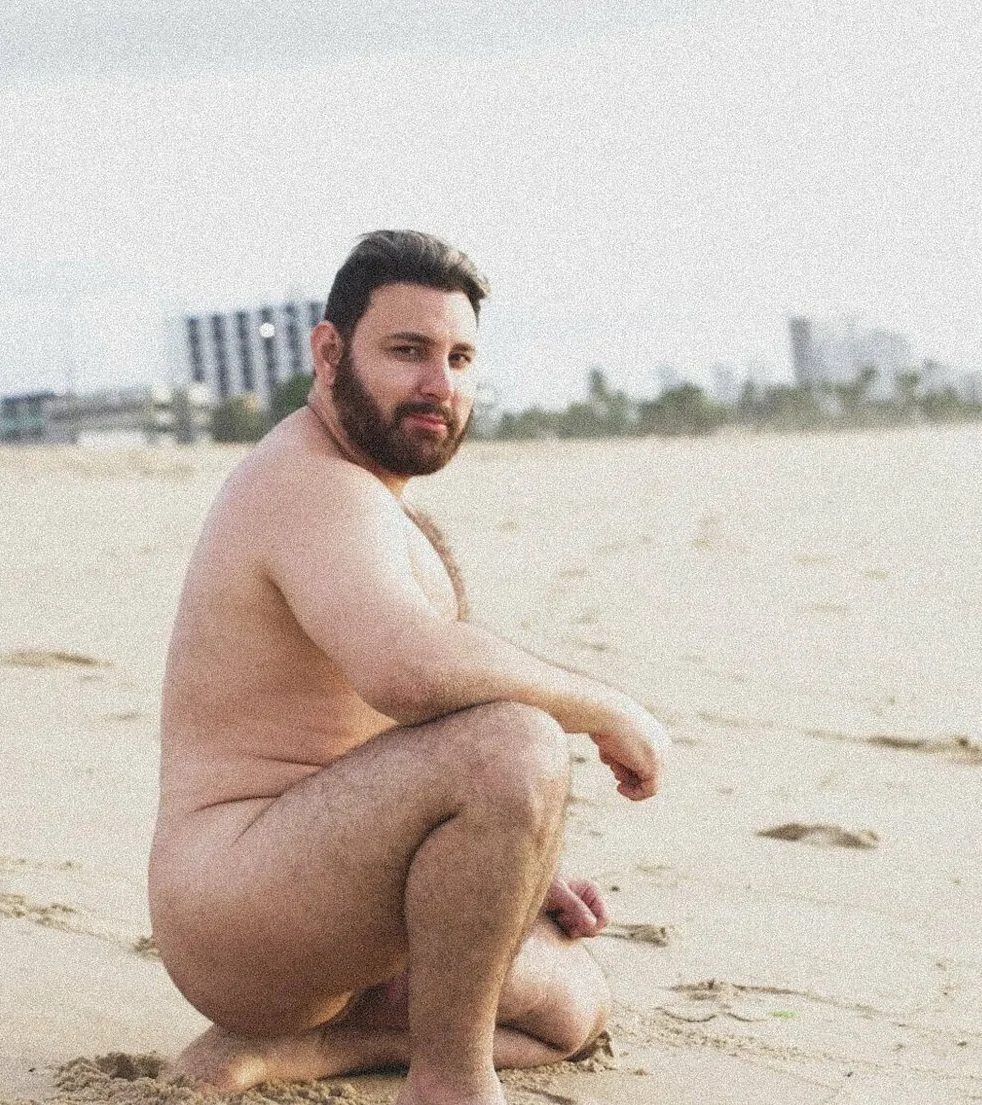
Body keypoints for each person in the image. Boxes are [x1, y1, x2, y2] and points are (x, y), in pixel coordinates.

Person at [149, 230, 667, 1105]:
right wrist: (612, 710)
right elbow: (411, 672)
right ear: (329, 354)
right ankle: (451, 1084)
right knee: (515, 744)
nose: (440, 383)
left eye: (460, 358)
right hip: (240, 903)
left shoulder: (372, 505)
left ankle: (297, 1048)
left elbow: (401, 728)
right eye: (407, 351)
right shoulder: (307, 481)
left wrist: (510, 867)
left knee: (571, 1007)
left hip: (339, 876)